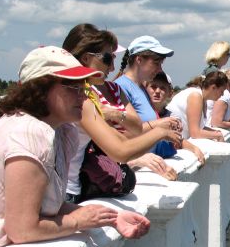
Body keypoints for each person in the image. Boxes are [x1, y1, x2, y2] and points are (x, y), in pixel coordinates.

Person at [0, 47, 150, 247]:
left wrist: (111, 218)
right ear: (40, 89)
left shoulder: (61, 133)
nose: (83, 95)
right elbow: (23, 228)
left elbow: (48, 206)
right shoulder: (30, 132)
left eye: (84, 86)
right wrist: (77, 221)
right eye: (73, 87)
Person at [61, 24, 182, 195]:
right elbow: (120, 150)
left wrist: (116, 115)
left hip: (67, 188)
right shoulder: (82, 98)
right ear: (87, 58)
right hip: (66, 189)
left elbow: (133, 131)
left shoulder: (80, 93)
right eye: (107, 59)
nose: (111, 68)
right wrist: (159, 132)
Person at [114, 35, 181, 158]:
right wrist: (159, 125)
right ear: (139, 60)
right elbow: (118, 135)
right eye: (156, 63)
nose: (160, 69)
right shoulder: (121, 87)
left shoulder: (140, 87)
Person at [145, 72, 208, 165]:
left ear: (170, 93)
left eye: (162, 88)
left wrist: (195, 149)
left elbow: (179, 140)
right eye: (153, 87)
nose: (157, 91)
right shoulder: (139, 114)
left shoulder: (171, 117)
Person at [166, 71, 230, 141]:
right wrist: (217, 135)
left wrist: (215, 132)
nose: (222, 94)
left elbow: (200, 128)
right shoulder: (196, 96)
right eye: (222, 91)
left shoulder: (202, 99)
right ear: (213, 87)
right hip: (170, 141)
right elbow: (195, 133)